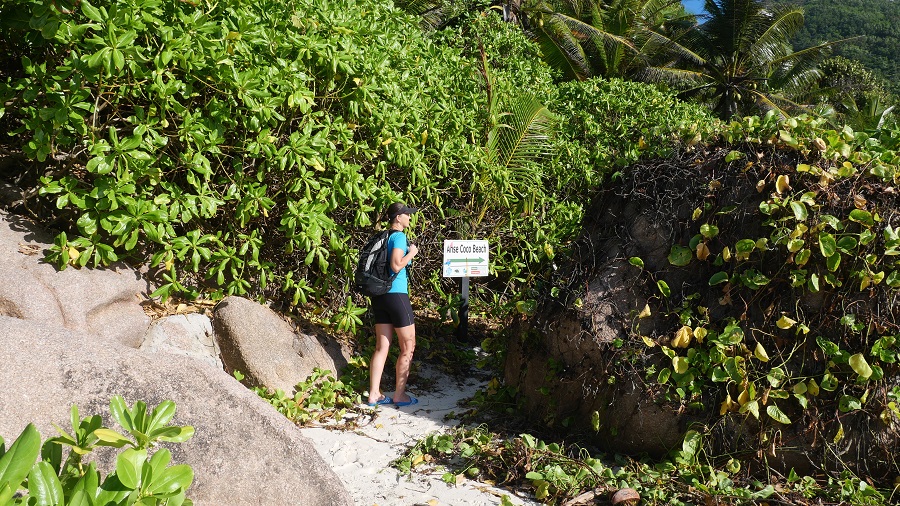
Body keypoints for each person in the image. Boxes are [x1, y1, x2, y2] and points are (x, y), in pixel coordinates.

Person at [367, 202, 420, 407]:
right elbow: (396, 265)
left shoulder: (382, 237)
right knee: (408, 345)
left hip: (379, 296)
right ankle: (399, 395)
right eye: (407, 214)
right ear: (398, 217)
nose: (410, 217)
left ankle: (374, 394)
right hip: (396, 294)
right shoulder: (399, 237)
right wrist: (412, 253)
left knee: (382, 347)